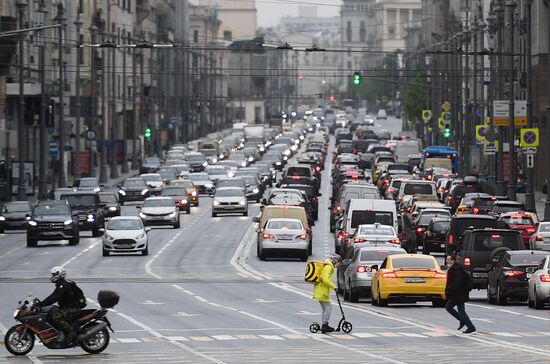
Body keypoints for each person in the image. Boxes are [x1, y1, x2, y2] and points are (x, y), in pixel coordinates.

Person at [38, 267, 83, 342]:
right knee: (52, 311)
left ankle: (71, 332)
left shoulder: (64, 285)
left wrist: (42, 304)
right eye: (52, 274)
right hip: (67, 307)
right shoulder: (61, 284)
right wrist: (41, 303)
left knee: (56, 317)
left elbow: (55, 297)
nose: (53, 276)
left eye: (54, 274)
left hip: (72, 308)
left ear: (60, 274)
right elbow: (53, 295)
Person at [445, 255, 476, 334]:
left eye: (448, 259)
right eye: (446, 259)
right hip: (458, 293)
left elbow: (458, 281)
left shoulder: (456, 270)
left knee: (450, 307)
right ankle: (466, 324)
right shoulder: (454, 269)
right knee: (458, 310)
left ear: (453, 261)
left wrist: (450, 288)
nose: (447, 261)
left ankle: (470, 326)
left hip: (459, 293)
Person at [313, 254, 341, 333]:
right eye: (339, 262)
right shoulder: (328, 267)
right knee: (328, 307)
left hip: (321, 290)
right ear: (336, 261)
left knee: (325, 308)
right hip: (322, 291)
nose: (339, 264)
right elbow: (325, 279)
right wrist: (334, 287)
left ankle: (324, 324)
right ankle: (325, 325)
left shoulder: (328, 266)